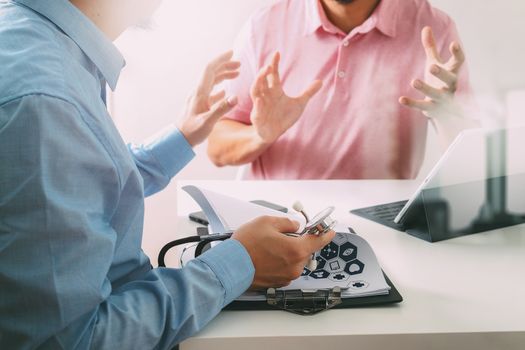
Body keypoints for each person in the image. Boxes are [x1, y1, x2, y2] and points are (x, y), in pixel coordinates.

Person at [0, 0, 334, 348]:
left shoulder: (36, 45)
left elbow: (81, 185)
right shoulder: (44, 102)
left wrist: (183, 135)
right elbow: (74, 341)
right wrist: (240, 262)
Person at [207, 0, 477, 180]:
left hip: (382, 226)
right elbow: (217, 148)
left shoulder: (434, 28)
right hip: (276, 225)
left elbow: (476, 165)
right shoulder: (265, 25)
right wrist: (260, 135)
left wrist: (446, 114)